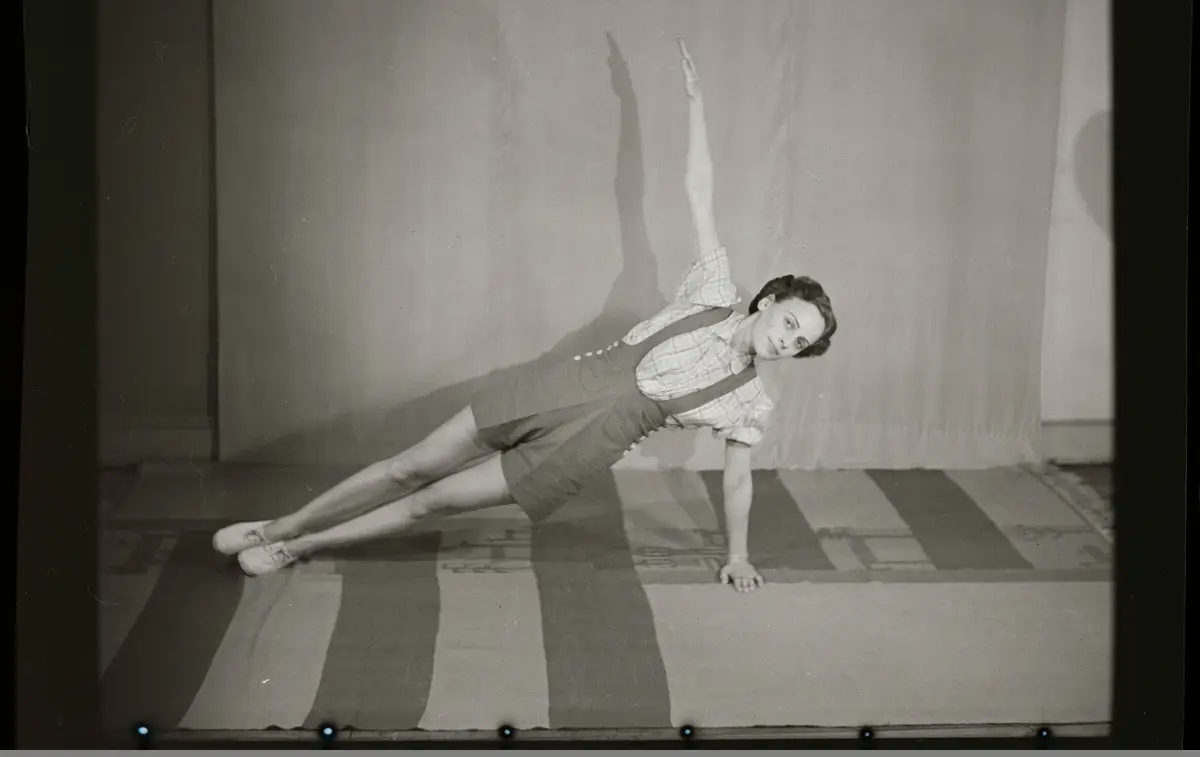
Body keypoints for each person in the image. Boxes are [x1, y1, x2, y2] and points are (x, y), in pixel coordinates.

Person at [214, 38, 837, 592]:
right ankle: (277, 527)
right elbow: (698, 190)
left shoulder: (749, 402)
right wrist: (696, 105)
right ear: (768, 301)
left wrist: (737, 557)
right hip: (558, 388)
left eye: (800, 343)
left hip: (582, 448)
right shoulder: (712, 291)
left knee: (431, 501)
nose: (788, 341)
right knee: (410, 466)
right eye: (791, 323)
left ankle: (296, 548)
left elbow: (737, 482)